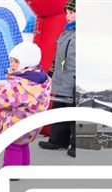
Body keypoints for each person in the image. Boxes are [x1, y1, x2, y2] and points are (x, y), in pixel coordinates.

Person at [0, 41, 51, 178]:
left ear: (26, 63)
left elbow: (3, 100)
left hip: (17, 121)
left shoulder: (19, 84)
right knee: (23, 144)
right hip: (32, 122)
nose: (12, 64)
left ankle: (10, 173)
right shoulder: (41, 79)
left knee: (13, 144)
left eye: (16, 61)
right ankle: (23, 169)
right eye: (11, 61)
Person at [38, 0, 76, 158]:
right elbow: (56, 59)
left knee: (75, 114)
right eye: (66, 12)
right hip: (61, 81)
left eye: (72, 12)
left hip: (74, 83)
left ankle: (77, 145)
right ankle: (58, 141)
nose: (67, 16)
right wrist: (50, 75)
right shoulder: (64, 34)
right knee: (59, 110)